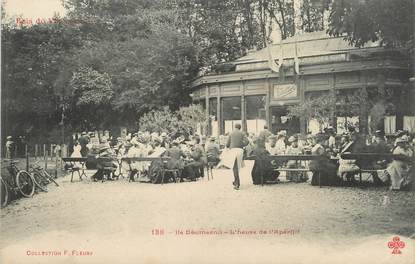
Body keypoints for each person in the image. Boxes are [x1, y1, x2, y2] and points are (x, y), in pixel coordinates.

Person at [225, 123, 248, 190]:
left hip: (233, 150)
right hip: (240, 150)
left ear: (235, 127)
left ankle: (237, 184)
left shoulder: (231, 133)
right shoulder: (242, 133)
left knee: (234, 167)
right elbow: (247, 141)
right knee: (237, 167)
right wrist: (242, 144)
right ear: (240, 128)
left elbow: (227, 144)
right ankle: (236, 181)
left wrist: (230, 146)